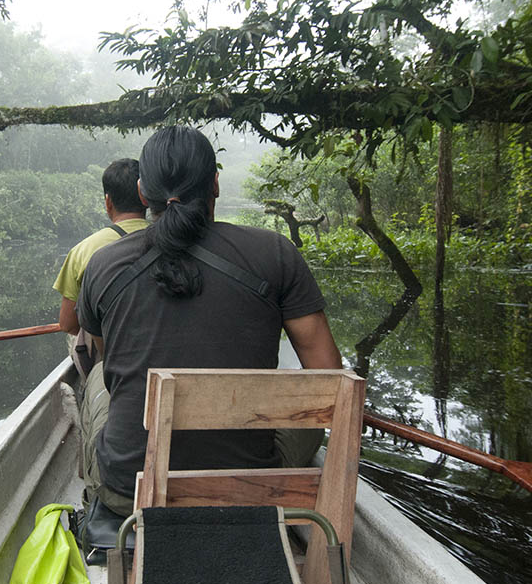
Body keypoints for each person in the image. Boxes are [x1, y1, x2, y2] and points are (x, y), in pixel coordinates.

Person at [76, 126, 341, 515]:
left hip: (131, 491)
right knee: (306, 413)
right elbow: (329, 377)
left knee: (98, 377)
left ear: (143, 193)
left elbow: (108, 359)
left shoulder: (104, 264)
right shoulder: (275, 253)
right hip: (250, 487)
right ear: (214, 183)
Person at [52, 158, 148, 337]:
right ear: (145, 198)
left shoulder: (83, 250)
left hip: (110, 355)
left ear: (108, 202)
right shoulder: (170, 239)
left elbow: (68, 324)